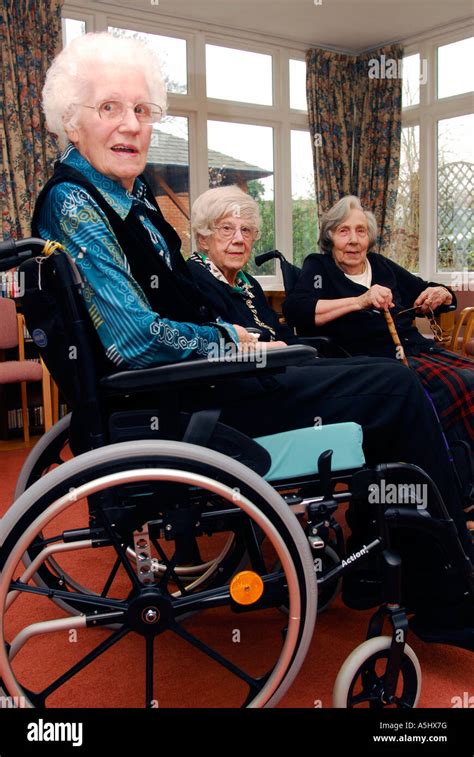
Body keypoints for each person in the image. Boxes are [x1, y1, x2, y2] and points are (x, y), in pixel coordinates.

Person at [33, 32, 473, 561]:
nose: (132, 124)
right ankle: (442, 582)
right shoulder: (76, 204)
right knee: (395, 388)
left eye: (143, 109)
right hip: (184, 403)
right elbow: (132, 340)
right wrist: (227, 338)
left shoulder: (135, 198)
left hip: (203, 384)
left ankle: (387, 552)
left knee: (358, 370)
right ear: (72, 121)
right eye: (109, 107)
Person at [283, 195, 474, 456]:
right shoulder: (319, 267)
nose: (353, 240)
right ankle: (451, 466)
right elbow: (297, 310)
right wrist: (359, 301)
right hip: (377, 362)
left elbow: (425, 289)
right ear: (330, 236)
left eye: (360, 231)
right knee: (459, 384)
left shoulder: (381, 265)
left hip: (420, 350)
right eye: (343, 231)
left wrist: (441, 292)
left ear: (369, 237)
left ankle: (464, 464)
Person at [188, 185, 295, 343]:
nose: (239, 239)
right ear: (203, 239)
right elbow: (218, 347)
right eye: (226, 228)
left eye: (245, 230)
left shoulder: (249, 284)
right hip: (253, 365)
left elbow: (282, 334)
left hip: (282, 361)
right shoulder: (193, 279)